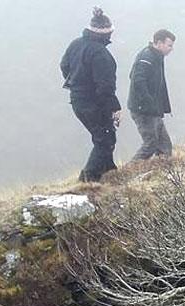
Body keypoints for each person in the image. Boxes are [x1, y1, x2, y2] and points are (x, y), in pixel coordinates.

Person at [61, 7, 122, 182]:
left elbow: (64, 65)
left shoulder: (76, 44)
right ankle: (88, 178)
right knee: (105, 138)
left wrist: (76, 84)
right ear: (106, 33)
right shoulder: (101, 54)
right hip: (94, 102)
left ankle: (110, 172)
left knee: (103, 135)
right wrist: (114, 108)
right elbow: (105, 87)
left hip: (77, 99)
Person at [128, 29, 175, 161]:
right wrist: (149, 103)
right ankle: (131, 169)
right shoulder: (146, 58)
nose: (171, 49)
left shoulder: (156, 56)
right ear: (159, 43)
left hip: (153, 109)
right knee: (151, 144)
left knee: (165, 146)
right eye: (169, 45)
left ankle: (163, 171)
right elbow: (137, 80)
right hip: (143, 110)